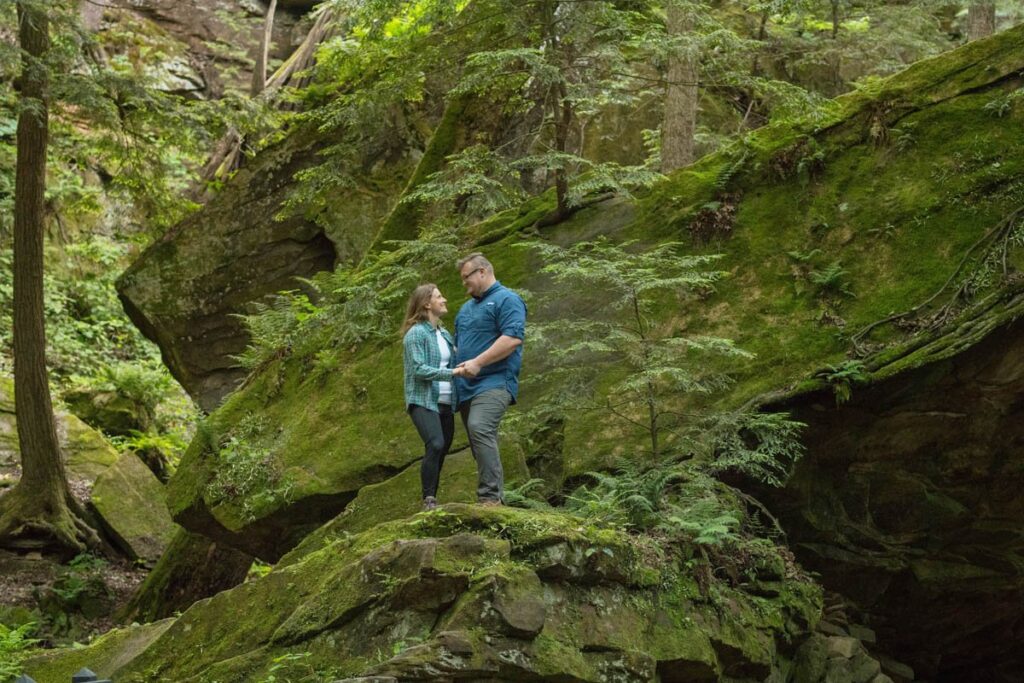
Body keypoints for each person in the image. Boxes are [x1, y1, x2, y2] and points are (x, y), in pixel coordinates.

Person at [453, 253, 527, 506]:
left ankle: (490, 499)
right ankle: (496, 498)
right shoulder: (464, 309)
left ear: (482, 272)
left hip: (495, 381)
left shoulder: (508, 299)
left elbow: (512, 339)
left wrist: (478, 362)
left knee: (479, 426)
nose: (465, 284)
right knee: (478, 440)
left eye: (467, 278)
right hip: (465, 388)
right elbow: (459, 347)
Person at [402, 283, 465, 511]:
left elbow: (455, 361)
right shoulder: (416, 334)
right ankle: (428, 499)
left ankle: (432, 501)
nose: (444, 300)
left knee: (441, 449)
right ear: (427, 304)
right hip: (423, 399)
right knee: (436, 443)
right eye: (439, 297)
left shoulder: (444, 333)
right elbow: (419, 369)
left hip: (446, 401)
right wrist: (453, 373)